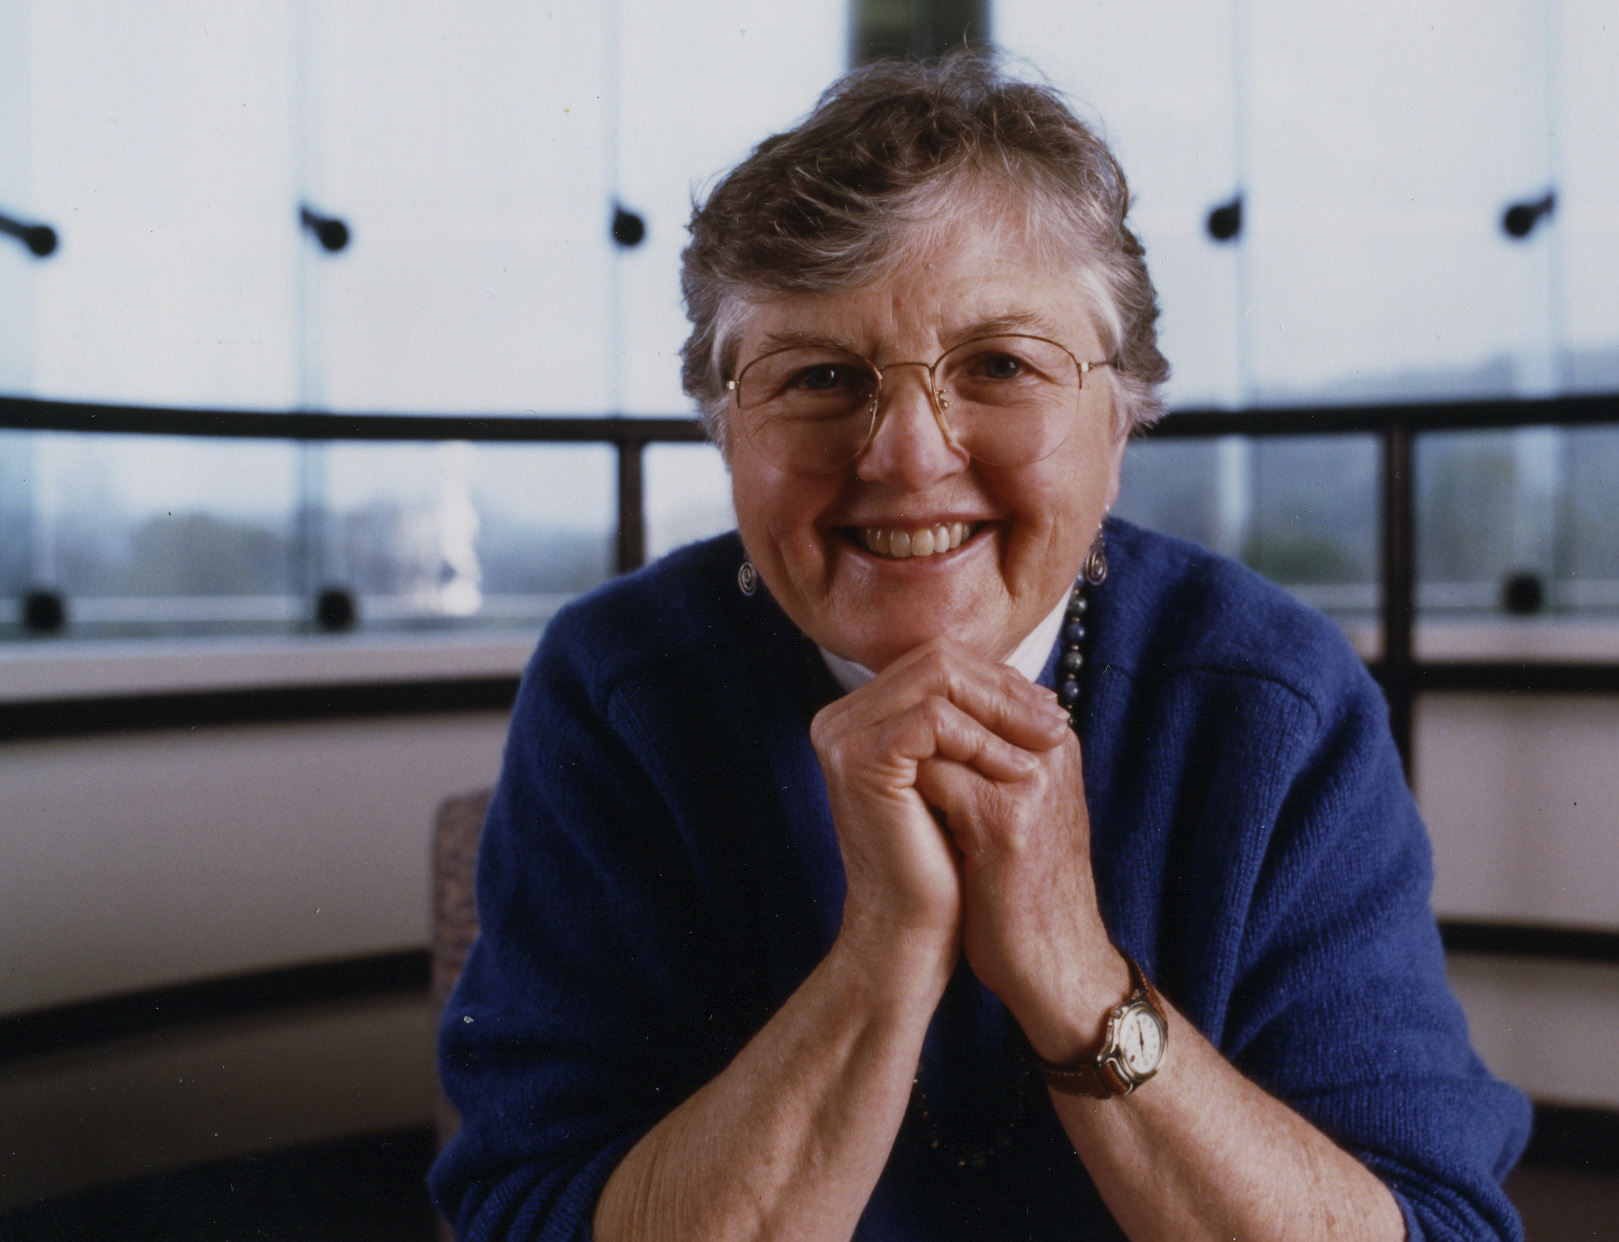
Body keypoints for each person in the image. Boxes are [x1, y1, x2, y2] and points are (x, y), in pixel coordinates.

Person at [430, 55, 1530, 1241]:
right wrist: (886, 955)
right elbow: (528, 1216)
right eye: (819, 376)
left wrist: (1068, 964)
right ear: (725, 432)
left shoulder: (1271, 699)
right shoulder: (616, 688)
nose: (907, 454)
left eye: (1000, 365)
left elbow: (1437, 1227)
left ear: (1122, 418)